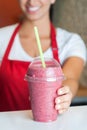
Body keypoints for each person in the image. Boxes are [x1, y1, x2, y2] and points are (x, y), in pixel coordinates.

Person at [0, 0, 86, 113]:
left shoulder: (70, 42)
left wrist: (64, 93)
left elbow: (70, 78)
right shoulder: (2, 38)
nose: (31, 2)